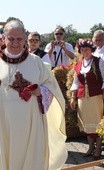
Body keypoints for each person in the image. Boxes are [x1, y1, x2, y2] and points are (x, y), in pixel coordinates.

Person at [0, 20, 67, 170]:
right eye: (11, 38)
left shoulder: (36, 62)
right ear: (3, 38)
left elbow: (53, 88)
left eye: (19, 39)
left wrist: (41, 91)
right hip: (3, 122)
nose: (15, 43)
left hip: (31, 123)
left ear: (25, 39)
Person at [70, 38, 104, 160]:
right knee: (87, 123)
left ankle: (98, 148)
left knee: (97, 122)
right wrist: (73, 98)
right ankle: (90, 147)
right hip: (82, 98)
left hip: (96, 97)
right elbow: (76, 83)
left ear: (91, 50)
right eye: (82, 50)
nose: (85, 52)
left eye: (87, 49)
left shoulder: (99, 62)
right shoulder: (78, 65)